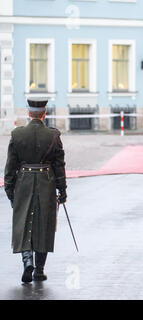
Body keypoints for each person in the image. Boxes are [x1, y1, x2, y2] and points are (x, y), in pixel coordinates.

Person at [4, 99, 67, 283]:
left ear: (29, 113)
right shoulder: (53, 136)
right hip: (46, 181)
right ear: (44, 114)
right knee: (44, 223)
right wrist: (62, 191)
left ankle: (27, 262)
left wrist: (10, 191)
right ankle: (39, 270)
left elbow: (10, 167)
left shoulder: (17, 135)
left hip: (23, 182)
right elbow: (59, 166)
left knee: (23, 222)